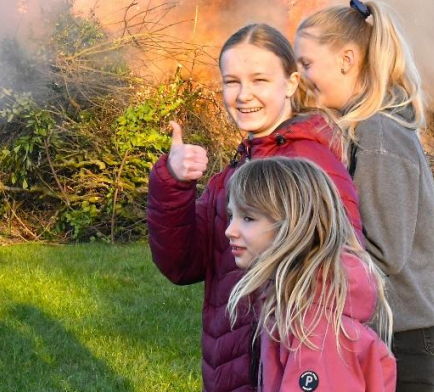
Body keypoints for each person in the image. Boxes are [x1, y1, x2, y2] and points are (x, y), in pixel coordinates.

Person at [147, 23, 362, 392]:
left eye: (259, 80)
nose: (243, 95)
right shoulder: (238, 168)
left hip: (281, 373)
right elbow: (182, 265)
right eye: (232, 81)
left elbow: (347, 278)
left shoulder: (308, 163)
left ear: (291, 84)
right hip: (233, 370)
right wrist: (172, 181)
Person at [295, 0, 434, 392]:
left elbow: (384, 253)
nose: (300, 76)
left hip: (403, 338)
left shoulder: (378, 134)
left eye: (307, 63)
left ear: (347, 59)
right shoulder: (363, 129)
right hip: (381, 329)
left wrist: (298, 265)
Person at [225, 157, 396, 391]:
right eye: (230, 216)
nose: (229, 230)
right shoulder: (299, 305)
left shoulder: (314, 328)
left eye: (248, 218)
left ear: (294, 225)